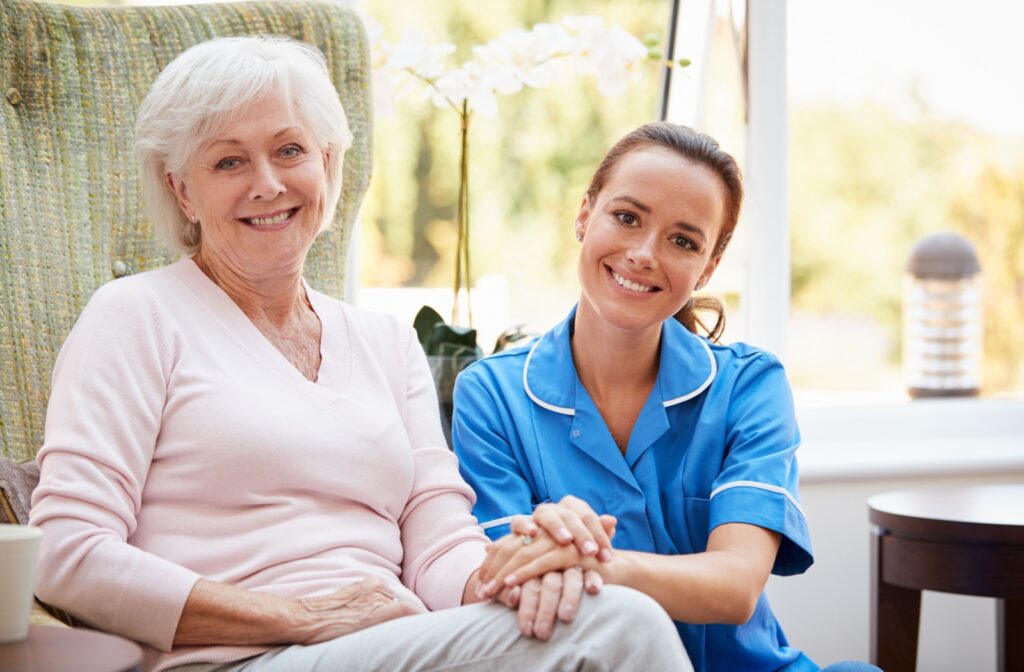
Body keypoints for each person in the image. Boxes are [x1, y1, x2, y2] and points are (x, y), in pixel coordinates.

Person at [28, 38, 691, 672]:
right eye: (228, 162)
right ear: (181, 190)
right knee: (623, 629)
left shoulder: (384, 340)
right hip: (236, 657)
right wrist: (300, 616)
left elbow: (441, 543)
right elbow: (66, 552)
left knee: (595, 608)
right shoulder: (135, 316)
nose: (267, 183)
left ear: (326, 164)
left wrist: (524, 568)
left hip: (389, 643)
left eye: (290, 151)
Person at [453, 123, 880, 672]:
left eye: (683, 240)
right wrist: (550, 559)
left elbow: (735, 586)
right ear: (584, 216)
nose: (644, 254)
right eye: (627, 217)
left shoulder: (751, 386)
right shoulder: (491, 395)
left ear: (708, 267)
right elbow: (505, 576)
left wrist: (591, 561)